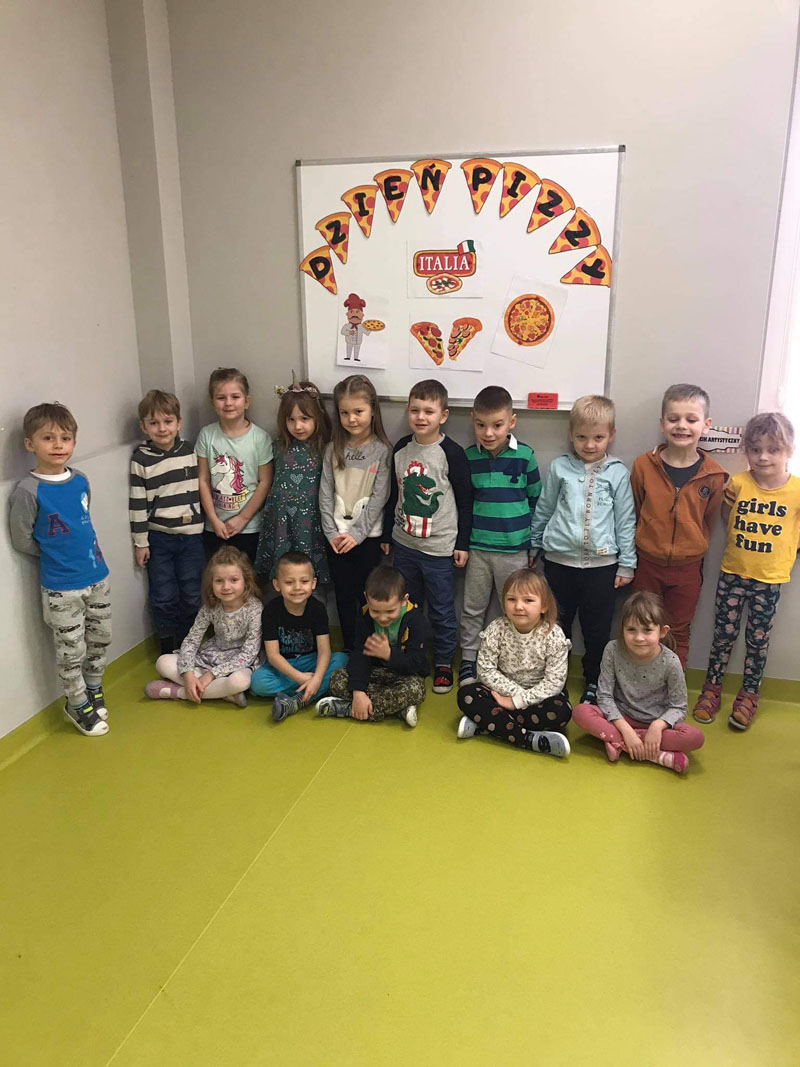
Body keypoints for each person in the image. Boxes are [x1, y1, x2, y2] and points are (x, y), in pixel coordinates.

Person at [9, 402, 112, 736]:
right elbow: (22, 539)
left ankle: (93, 687)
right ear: (30, 444)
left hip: (97, 576)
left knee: (101, 638)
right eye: (48, 438)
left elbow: (83, 520)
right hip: (61, 586)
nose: (58, 445)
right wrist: (58, 556)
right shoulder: (28, 491)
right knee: (71, 650)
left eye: (65, 438)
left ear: (74, 443)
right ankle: (76, 702)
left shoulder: (80, 480)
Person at [693, 412, 800, 730]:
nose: (763, 457)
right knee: (722, 636)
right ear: (746, 450)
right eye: (755, 449)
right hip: (733, 574)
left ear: (789, 450)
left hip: (769, 580)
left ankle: (749, 695)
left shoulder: (796, 491)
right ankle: (711, 689)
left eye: (773, 449)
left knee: (758, 641)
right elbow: (727, 517)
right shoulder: (738, 483)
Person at [530, 395, 636, 705]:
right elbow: (545, 508)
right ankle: (555, 681)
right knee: (556, 628)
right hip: (558, 564)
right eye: (581, 437)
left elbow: (625, 520)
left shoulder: (617, 473)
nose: (589, 445)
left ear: (611, 435)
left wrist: (626, 563)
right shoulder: (559, 468)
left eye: (598, 437)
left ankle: (594, 682)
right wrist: (534, 545)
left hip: (602, 568)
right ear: (571, 435)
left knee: (597, 630)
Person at [381, 379, 472, 694]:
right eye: (415, 410)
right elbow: (393, 495)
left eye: (429, 411)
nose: (421, 417)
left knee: (442, 608)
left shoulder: (451, 453)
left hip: (439, 549)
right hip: (404, 545)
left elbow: (465, 501)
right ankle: (413, 657)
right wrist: (386, 534)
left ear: (443, 415)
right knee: (409, 606)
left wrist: (462, 544)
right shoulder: (401, 448)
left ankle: (444, 661)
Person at [630, 383, 727, 667]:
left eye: (691, 419)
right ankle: (638, 686)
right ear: (662, 424)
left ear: (706, 425)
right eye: (673, 419)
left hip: (688, 569)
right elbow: (636, 509)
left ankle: (673, 688)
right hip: (647, 564)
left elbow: (708, 520)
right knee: (640, 627)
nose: (682, 426)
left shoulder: (714, 476)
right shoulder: (643, 466)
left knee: (678, 631)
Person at [458, 385, 541, 687]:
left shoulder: (525, 456)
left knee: (512, 610)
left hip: (514, 550)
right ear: (473, 420)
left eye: (497, 425)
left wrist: (532, 545)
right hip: (478, 548)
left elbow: (536, 501)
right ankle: (469, 661)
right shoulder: (468, 457)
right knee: (473, 608)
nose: (488, 433)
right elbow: (465, 503)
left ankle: (505, 664)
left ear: (511, 422)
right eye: (481, 425)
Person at [572, 591, 705, 773]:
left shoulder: (671, 662)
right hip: (620, 717)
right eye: (631, 630)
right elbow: (604, 696)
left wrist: (657, 727)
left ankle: (619, 743)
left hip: (655, 722)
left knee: (694, 737)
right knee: (581, 712)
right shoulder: (612, 650)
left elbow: (679, 707)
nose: (639, 638)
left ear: (662, 631)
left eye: (647, 630)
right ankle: (652, 753)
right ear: (622, 629)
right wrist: (625, 729)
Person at [456, 568, 572, 756]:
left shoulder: (554, 635)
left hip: (538, 698)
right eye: (511, 599)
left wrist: (519, 702)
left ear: (543, 606)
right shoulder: (496, 629)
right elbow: (486, 671)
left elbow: (554, 682)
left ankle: (490, 724)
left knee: (561, 711)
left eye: (528, 600)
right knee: (467, 695)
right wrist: (512, 697)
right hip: (501, 694)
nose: (518, 606)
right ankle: (528, 739)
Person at [319, 374, 392, 651]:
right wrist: (331, 533)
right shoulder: (333, 449)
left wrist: (358, 535)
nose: (351, 419)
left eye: (358, 412)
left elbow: (380, 496)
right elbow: (325, 494)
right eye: (344, 413)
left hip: (367, 537)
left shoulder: (382, 451)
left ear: (372, 410)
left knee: (367, 597)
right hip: (337, 538)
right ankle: (350, 649)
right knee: (343, 595)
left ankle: (368, 649)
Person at [129, 389, 204, 656]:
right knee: (163, 595)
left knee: (192, 593)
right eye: (154, 423)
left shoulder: (190, 451)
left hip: (192, 536)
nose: (162, 428)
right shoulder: (141, 459)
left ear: (178, 422)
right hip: (159, 538)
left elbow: (204, 488)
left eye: (168, 421)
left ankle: (189, 645)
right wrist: (141, 542)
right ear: (143, 426)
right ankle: (167, 647)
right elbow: (137, 503)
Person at [145, 546, 262, 706]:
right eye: (219, 581)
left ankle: (179, 692)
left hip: (239, 663)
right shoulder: (210, 606)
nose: (226, 587)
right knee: (163, 662)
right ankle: (221, 693)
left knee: (239, 682)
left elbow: (248, 654)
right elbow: (192, 640)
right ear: (211, 582)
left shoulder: (255, 609)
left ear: (246, 581)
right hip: (211, 656)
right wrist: (188, 674)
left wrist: (211, 675)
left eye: (234, 580)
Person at [316, 566, 430, 725]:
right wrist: (358, 692)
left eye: (390, 611)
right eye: (375, 611)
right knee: (336, 679)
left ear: (404, 600)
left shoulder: (416, 621)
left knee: (416, 690)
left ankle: (349, 709)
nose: (382, 618)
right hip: (374, 672)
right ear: (366, 598)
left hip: (403, 675)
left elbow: (415, 663)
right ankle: (395, 709)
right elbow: (359, 654)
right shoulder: (364, 615)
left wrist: (389, 655)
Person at [250, 551, 348, 721]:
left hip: (311, 661)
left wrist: (317, 678)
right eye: (289, 582)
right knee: (257, 682)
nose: (297, 588)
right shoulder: (271, 610)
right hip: (284, 665)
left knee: (341, 659)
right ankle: (312, 690)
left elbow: (324, 651)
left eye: (304, 581)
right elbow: (273, 655)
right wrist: (300, 677)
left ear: (313, 583)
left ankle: (296, 701)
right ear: (277, 585)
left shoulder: (317, 609)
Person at [254, 378, 331, 583]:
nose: (298, 426)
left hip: (311, 521)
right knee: (283, 571)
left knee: (309, 571)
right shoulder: (278, 446)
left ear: (318, 416)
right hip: (281, 520)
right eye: (291, 419)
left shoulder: (325, 449)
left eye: (305, 418)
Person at [196, 367, 273, 564]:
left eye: (235, 397)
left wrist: (243, 518)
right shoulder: (206, 435)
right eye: (221, 398)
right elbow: (203, 480)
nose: (229, 403)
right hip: (215, 527)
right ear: (212, 402)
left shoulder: (260, 438)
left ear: (247, 401)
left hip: (249, 527)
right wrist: (213, 520)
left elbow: (265, 482)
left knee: (248, 578)